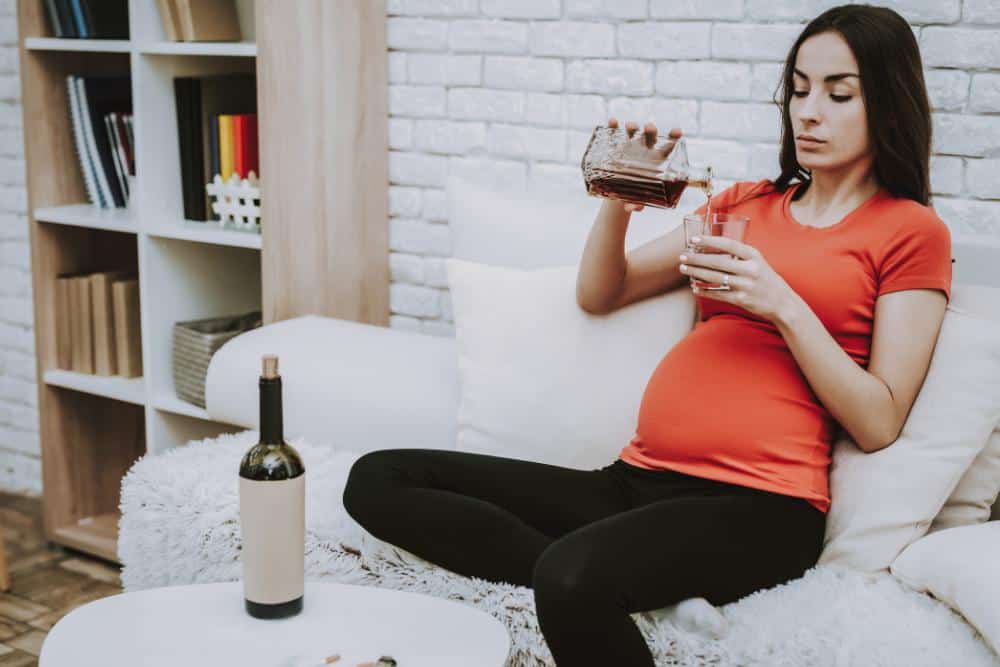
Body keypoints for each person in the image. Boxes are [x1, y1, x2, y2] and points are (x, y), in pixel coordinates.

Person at [342, 5, 952, 665]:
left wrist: (781, 302)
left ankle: (600, 577)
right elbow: (603, 291)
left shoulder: (909, 230)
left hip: (762, 505)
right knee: (378, 477)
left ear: (889, 105)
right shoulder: (743, 203)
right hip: (635, 482)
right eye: (799, 89)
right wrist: (618, 199)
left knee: (571, 577)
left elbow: (879, 419)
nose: (808, 111)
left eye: (837, 94)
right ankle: (636, 581)